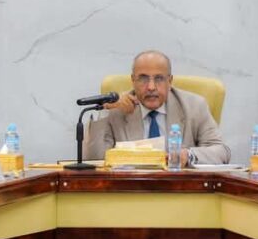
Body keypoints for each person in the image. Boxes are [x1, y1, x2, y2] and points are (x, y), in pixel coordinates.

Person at [89, 50, 230, 164]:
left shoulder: (194, 106)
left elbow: (222, 152)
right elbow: (93, 159)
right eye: (143, 78)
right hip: (129, 187)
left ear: (170, 81)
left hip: (179, 187)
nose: (151, 87)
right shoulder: (117, 108)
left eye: (159, 78)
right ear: (133, 81)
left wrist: (188, 155)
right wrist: (105, 110)